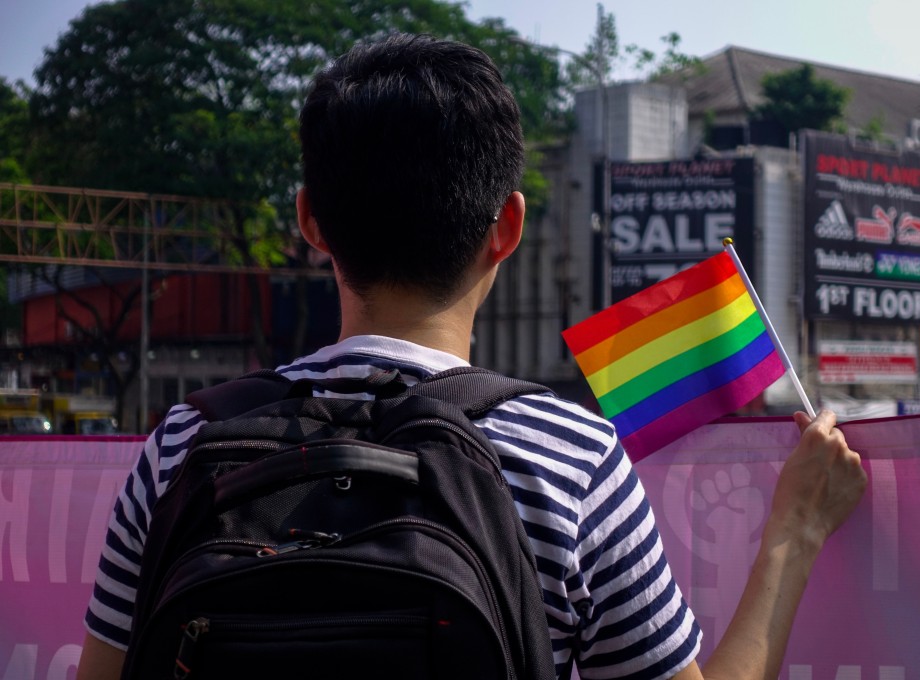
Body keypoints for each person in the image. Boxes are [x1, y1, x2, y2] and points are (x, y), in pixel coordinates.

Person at [77, 33, 866, 680]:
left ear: (311, 223)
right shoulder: (571, 461)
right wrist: (795, 531)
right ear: (508, 228)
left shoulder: (181, 448)